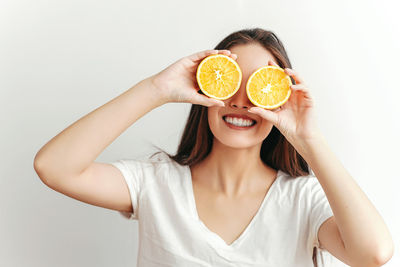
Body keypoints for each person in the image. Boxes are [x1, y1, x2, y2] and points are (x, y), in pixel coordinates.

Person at [34, 28, 393, 267]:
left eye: (260, 88)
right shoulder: (156, 184)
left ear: (280, 101)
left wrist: (307, 139)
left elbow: (374, 254)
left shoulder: (301, 200)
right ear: (205, 89)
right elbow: (54, 167)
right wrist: (156, 89)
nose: (240, 101)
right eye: (227, 81)